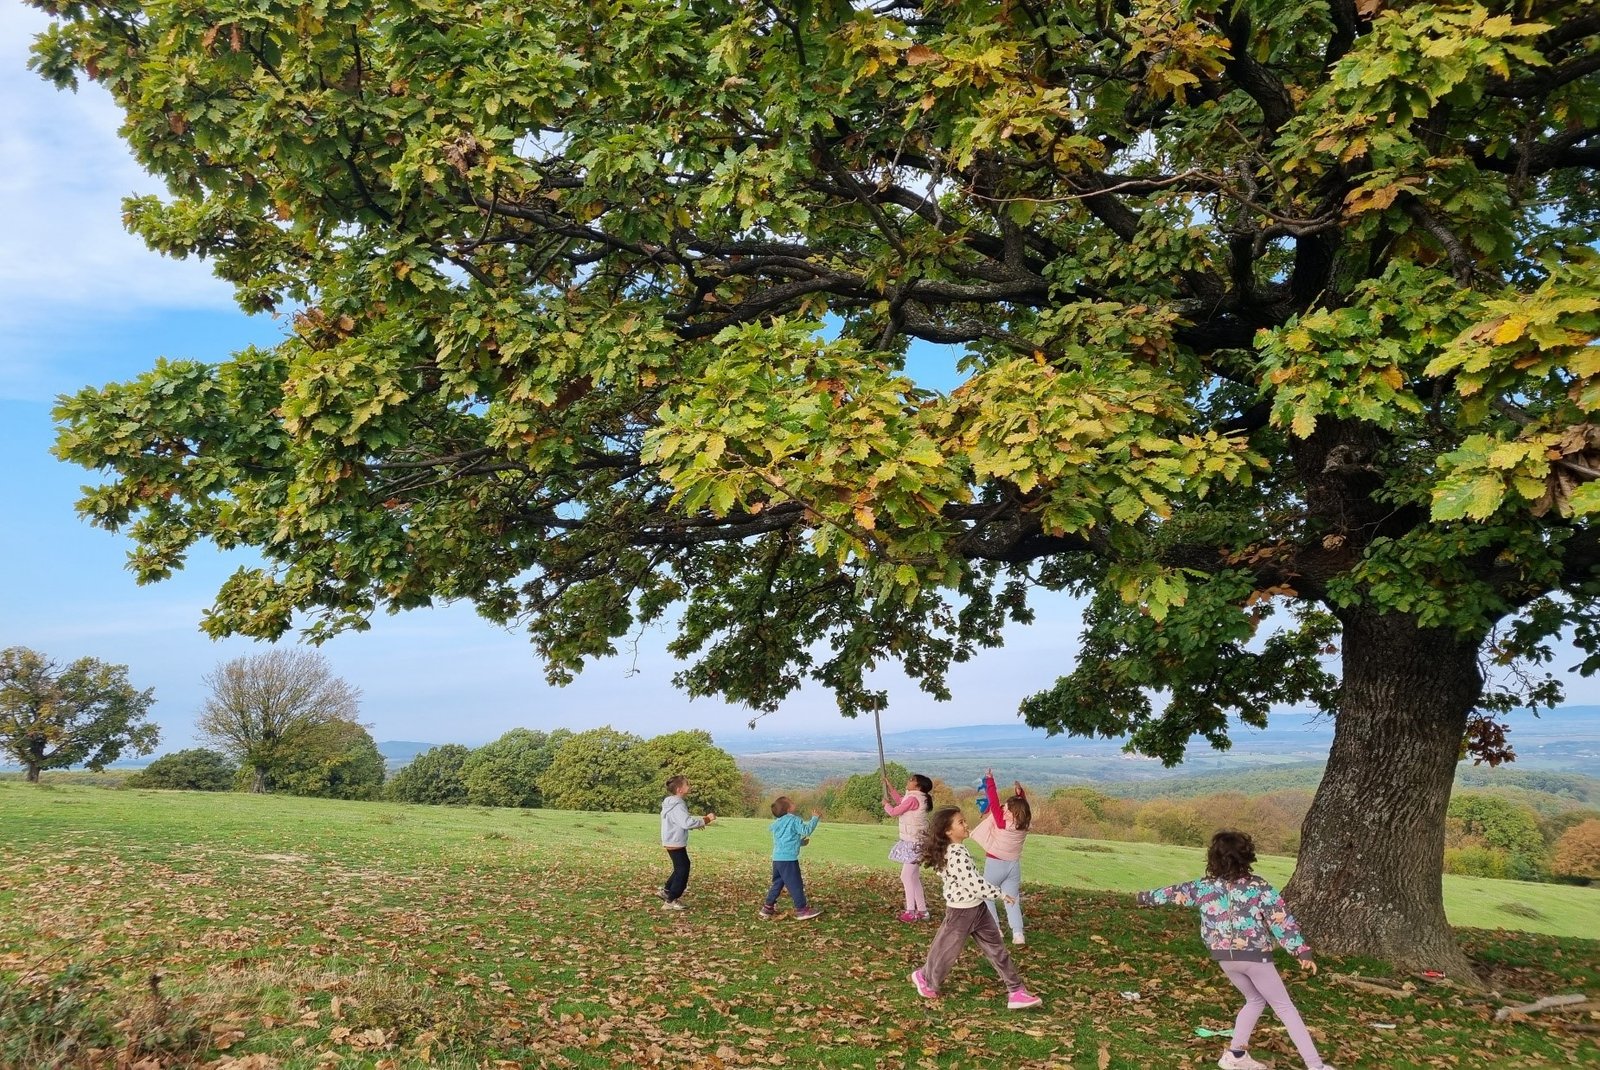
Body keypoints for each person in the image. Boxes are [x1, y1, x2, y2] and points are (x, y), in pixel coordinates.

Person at [1138, 830, 1336, 1070]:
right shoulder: (1259, 887)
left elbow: (1170, 893)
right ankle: (1316, 1066)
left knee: (1254, 1000)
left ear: (1213, 858)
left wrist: (1142, 897)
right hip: (1255, 957)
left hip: (1224, 958)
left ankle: (1236, 1056)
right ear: (1247, 857)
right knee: (1284, 1007)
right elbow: (1280, 920)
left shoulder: (1204, 887)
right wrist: (1301, 951)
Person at [909, 806, 1042, 1009]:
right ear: (948, 831)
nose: (966, 824)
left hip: (978, 909)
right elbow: (972, 882)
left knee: (997, 949)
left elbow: (970, 880)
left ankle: (1016, 992)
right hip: (961, 912)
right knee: (946, 952)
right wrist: (1000, 893)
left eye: (964, 821)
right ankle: (926, 979)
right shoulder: (955, 853)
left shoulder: (956, 850)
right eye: (960, 822)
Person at [969, 768, 1031, 944]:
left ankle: (995, 928)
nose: (1004, 808)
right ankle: (1018, 934)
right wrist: (1021, 794)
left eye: (1008, 807)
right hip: (1013, 866)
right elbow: (1023, 808)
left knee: (986, 895)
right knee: (1012, 899)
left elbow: (994, 801)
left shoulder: (1002, 822)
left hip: (995, 863)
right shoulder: (1024, 824)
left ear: (1011, 811)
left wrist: (989, 780)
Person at [760, 796, 823, 921]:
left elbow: (785, 840)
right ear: (788, 809)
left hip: (777, 859)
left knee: (777, 883)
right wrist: (815, 818)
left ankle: (767, 908)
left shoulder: (778, 823)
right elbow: (807, 830)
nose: (795, 803)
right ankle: (802, 910)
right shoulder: (794, 820)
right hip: (788, 860)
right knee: (796, 884)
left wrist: (799, 843)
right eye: (792, 802)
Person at [882, 772, 934, 921]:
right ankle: (922, 911)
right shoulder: (917, 798)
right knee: (914, 877)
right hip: (918, 842)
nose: (908, 781)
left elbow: (894, 811)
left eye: (912, 780)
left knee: (906, 876)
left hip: (913, 843)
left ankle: (910, 911)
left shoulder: (913, 799)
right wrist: (890, 787)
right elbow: (901, 801)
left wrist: (886, 805)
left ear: (918, 786)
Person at [658, 775, 714, 911]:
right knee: (683, 869)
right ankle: (671, 899)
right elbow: (686, 822)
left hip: (671, 840)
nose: (689, 787)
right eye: (686, 785)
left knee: (680, 867)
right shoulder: (678, 804)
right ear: (679, 789)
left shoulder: (670, 803)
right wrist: (706, 819)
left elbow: (681, 822)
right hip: (676, 842)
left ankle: (666, 891)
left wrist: (697, 823)